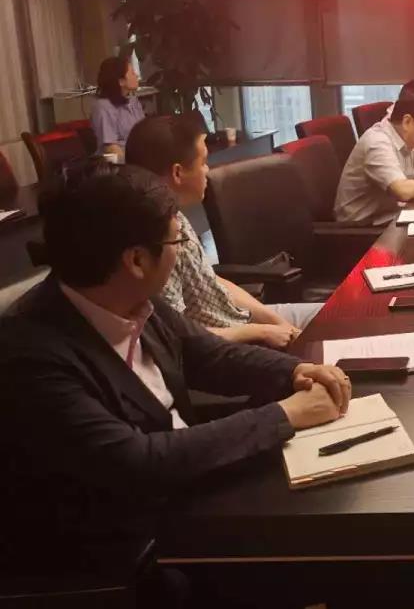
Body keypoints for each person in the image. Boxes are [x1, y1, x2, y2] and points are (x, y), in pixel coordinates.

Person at [0, 162, 350, 592]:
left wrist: (295, 369)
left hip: (184, 494)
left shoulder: (130, 299)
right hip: (120, 551)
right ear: (136, 260)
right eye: (177, 241)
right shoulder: (31, 354)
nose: (182, 249)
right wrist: (285, 415)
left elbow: (210, 355)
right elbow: (137, 463)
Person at [126, 115, 321, 347]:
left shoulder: (175, 215)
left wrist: (276, 322)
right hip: (226, 344)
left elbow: (214, 281)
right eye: (203, 162)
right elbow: (176, 336)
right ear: (178, 173)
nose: (207, 170)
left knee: (339, 314)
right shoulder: (158, 240)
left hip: (241, 320)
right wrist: (260, 332)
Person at [335, 94, 414, 225]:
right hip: (362, 227)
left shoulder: (406, 139)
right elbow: (403, 191)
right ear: (407, 122)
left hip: (388, 215)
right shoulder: (377, 143)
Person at [91, 55, 145, 159]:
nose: (136, 75)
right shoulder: (103, 107)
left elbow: (144, 133)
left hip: (138, 158)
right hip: (118, 163)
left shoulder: (133, 101)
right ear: (121, 81)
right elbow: (110, 148)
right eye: (132, 73)